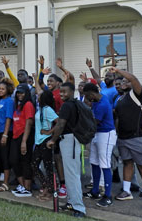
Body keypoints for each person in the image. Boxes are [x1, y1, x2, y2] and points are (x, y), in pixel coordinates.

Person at [112, 67, 142, 209]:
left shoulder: (137, 94)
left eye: (126, 81)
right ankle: (126, 191)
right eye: (121, 82)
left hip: (137, 137)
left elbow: (134, 79)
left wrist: (119, 71)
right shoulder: (120, 98)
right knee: (127, 163)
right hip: (123, 138)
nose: (124, 83)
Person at [47, 82, 86, 218]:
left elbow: (61, 124)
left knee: (72, 175)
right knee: (70, 174)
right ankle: (71, 202)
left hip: (70, 140)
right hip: (70, 140)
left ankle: (79, 208)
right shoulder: (73, 104)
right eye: (61, 92)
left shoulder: (67, 106)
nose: (62, 94)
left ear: (72, 92)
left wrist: (52, 140)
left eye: (65, 92)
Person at [83, 82, 117, 208]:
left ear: (92, 94)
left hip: (106, 134)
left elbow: (94, 122)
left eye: (87, 96)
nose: (87, 98)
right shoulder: (98, 99)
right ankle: (95, 191)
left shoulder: (102, 104)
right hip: (97, 134)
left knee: (105, 163)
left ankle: (108, 196)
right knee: (94, 162)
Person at [31, 90, 58, 201]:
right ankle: (46, 186)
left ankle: (50, 192)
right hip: (38, 141)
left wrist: (49, 132)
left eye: (40, 95)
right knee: (34, 165)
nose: (38, 96)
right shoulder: (41, 109)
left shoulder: (48, 110)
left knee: (48, 168)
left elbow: (60, 122)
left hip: (45, 141)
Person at [9, 84, 35, 198]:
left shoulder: (28, 104)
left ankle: (27, 187)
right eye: (18, 93)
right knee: (14, 160)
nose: (20, 95)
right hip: (15, 136)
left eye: (22, 93)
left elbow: (29, 122)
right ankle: (22, 185)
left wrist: (24, 141)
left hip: (25, 136)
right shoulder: (18, 105)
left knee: (25, 161)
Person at [0, 78, 14, 192]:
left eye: (2, 89)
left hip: (5, 133)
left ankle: (5, 183)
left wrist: (5, 135)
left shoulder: (9, 101)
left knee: (5, 158)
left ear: (7, 90)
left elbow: (8, 118)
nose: (0, 90)